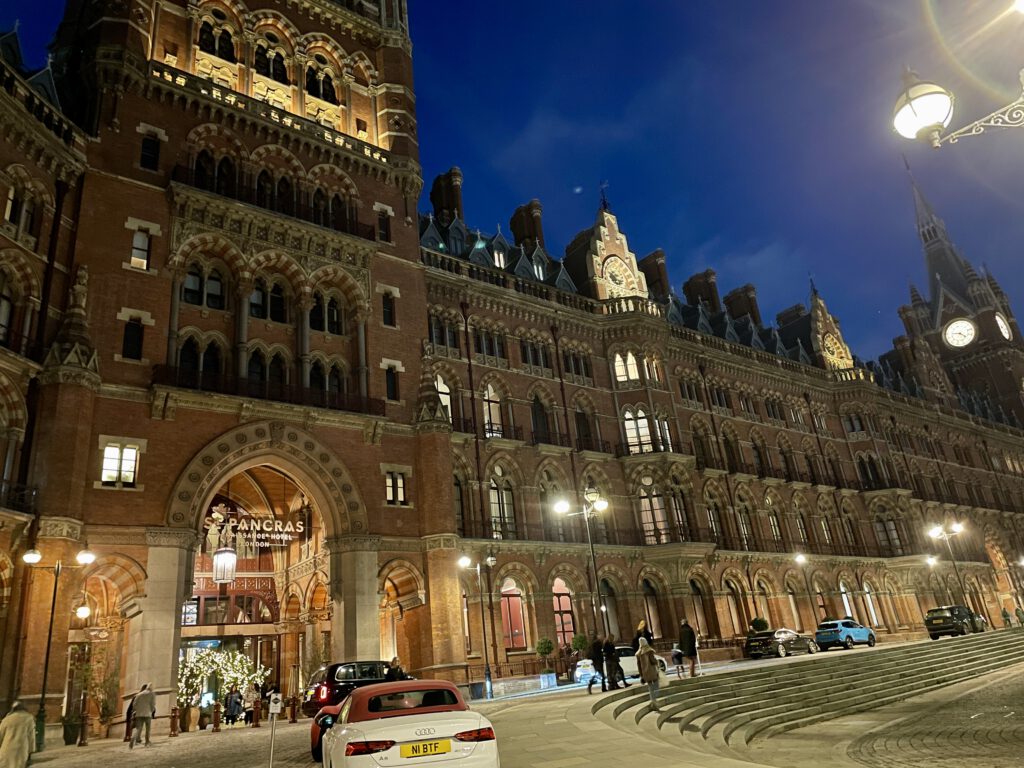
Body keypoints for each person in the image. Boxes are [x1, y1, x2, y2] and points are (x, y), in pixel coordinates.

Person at [0, 701, 35, 768]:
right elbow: (31, 737)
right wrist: (31, 750)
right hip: (22, 750)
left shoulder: (7, 719)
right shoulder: (29, 718)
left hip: (6, 750)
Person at [636, 637, 661, 712]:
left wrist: (641, 675)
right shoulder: (649, 651)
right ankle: (654, 701)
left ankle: (653, 702)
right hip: (652, 671)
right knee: (656, 686)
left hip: (645, 673)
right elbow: (653, 661)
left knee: (650, 688)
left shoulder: (638, 654)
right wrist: (657, 662)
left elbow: (639, 666)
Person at [130, 683, 156, 749]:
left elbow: (134, 704)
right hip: (147, 714)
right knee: (148, 729)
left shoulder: (139, 694)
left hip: (139, 714)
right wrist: (152, 711)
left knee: (138, 728)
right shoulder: (152, 694)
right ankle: (147, 742)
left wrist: (137, 710)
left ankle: (133, 738)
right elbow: (153, 704)